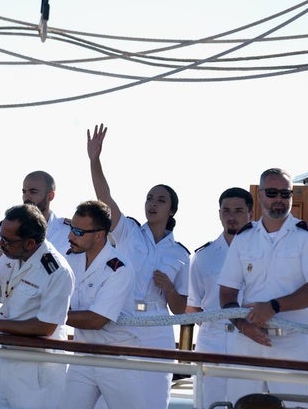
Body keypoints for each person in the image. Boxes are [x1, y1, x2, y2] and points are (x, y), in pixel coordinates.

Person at [87, 124, 190, 408]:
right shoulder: (129, 231)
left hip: (157, 327)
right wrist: (95, 160)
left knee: (155, 398)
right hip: (121, 319)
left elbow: (181, 309)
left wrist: (169, 289)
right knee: (108, 400)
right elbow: (104, 199)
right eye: (149, 198)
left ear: (171, 210)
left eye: (160, 200)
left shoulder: (181, 253)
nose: (152, 203)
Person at [218, 168, 308, 404]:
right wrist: (242, 325)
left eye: (285, 194)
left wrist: (274, 306)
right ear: (260, 195)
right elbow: (227, 292)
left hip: (292, 342)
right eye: (272, 193)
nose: (279, 199)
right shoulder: (244, 237)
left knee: (295, 406)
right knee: (240, 405)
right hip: (247, 341)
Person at [0, 203, 74, 409]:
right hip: (6, 364)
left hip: (36, 372)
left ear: (29, 243)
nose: (1, 244)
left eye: (8, 240)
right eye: (1, 235)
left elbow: (46, 326)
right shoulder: (9, 256)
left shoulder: (57, 271)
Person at [60, 200, 147, 409]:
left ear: (99, 235)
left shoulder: (119, 268)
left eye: (79, 232)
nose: (71, 236)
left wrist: (50, 313)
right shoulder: (70, 259)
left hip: (117, 359)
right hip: (83, 355)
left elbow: (97, 320)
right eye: (72, 228)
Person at [186, 187, 253, 406]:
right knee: (208, 402)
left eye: (238, 210)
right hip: (212, 338)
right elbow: (193, 307)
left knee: (246, 400)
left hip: (249, 336)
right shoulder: (203, 257)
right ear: (219, 214)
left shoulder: (262, 253)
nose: (231, 216)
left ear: (250, 214)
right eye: (226, 210)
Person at [22, 170, 71, 255]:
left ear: (50, 196)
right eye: (24, 191)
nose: (26, 197)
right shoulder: (7, 229)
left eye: (33, 192)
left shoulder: (69, 232)